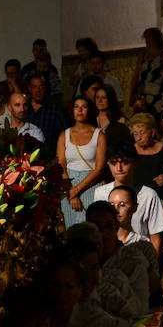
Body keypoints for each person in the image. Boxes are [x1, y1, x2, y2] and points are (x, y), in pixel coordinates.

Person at [58, 95, 107, 228]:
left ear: (89, 110)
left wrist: (76, 190)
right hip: (68, 184)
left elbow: (99, 169)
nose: (80, 110)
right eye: (76, 107)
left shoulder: (99, 135)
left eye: (84, 107)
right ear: (72, 111)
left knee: (90, 227)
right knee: (70, 228)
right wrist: (71, 193)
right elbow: (61, 166)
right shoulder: (64, 135)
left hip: (90, 184)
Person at [128, 113, 163, 201]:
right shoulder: (130, 151)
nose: (138, 138)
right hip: (135, 200)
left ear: (152, 132)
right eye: (135, 134)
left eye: (142, 133)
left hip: (161, 199)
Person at [132, 29, 163, 113]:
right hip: (143, 92)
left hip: (159, 93)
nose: (147, 40)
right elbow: (136, 75)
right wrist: (132, 93)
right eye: (145, 38)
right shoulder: (143, 54)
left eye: (149, 37)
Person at [26, 75, 70, 147]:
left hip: (49, 152)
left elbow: (65, 132)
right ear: (30, 89)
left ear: (45, 88)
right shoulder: (24, 107)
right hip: (26, 152)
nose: (38, 90)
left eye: (41, 86)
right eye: (35, 87)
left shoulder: (55, 109)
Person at [22, 40, 63, 106]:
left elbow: (57, 92)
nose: (41, 70)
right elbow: (24, 87)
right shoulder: (29, 74)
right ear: (36, 64)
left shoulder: (52, 75)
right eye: (40, 67)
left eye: (44, 67)